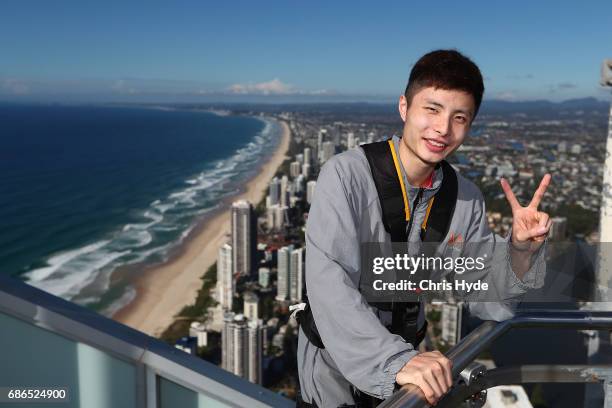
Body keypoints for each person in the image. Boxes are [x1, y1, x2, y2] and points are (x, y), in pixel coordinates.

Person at [295, 49, 551, 407]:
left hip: (408, 367)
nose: (443, 129)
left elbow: (485, 295)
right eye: (431, 109)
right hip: (333, 370)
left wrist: (521, 251)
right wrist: (394, 361)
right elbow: (329, 282)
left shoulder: (464, 197)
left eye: (459, 117)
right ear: (404, 107)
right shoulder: (346, 176)